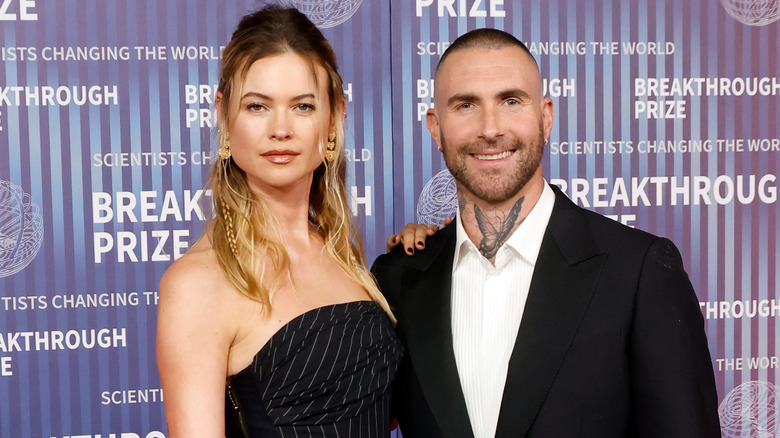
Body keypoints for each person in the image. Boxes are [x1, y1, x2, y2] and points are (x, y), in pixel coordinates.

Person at [373, 28, 721, 438]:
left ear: (546, 117)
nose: (490, 128)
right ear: (435, 127)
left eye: (511, 101)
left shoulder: (639, 272)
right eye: (465, 105)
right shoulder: (398, 280)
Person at [156, 6, 401, 437]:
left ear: (334, 117)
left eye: (303, 106)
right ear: (224, 115)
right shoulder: (198, 284)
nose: (280, 129)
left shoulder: (342, 253)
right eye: (257, 106)